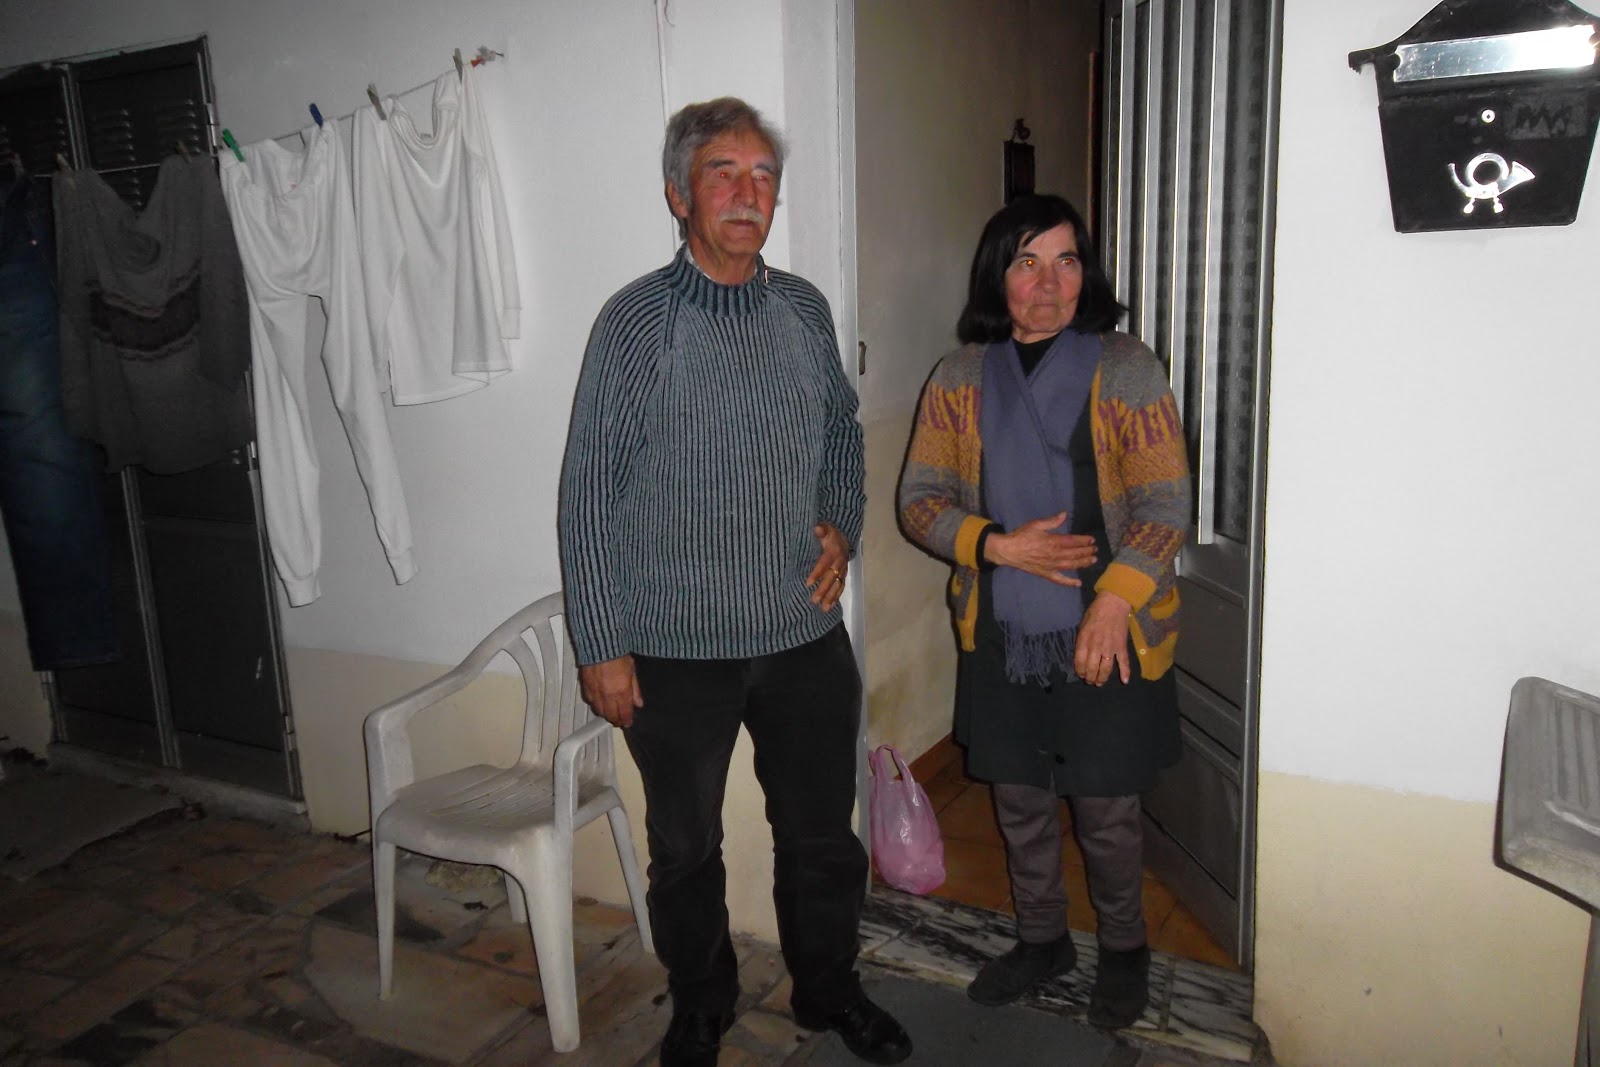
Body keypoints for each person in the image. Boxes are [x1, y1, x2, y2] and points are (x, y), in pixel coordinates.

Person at [558, 97, 912, 1067]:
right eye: (724, 173)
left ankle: (829, 990)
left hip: (801, 634)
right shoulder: (637, 322)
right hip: (673, 650)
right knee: (686, 849)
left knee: (821, 837)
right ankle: (701, 1002)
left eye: (763, 175)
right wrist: (601, 644)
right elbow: (588, 488)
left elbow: (840, 431)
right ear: (679, 194)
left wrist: (842, 521)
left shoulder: (803, 309)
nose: (749, 193)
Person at [897, 193, 1191, 1030]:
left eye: (1066, 261)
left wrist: (1115, 599)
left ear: (1084, 274)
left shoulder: (1125, 366)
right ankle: (1041, 938)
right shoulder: (960, 377)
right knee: (1020, 796)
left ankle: (1125, 949)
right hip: (1002, 617)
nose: (1049, 283)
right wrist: (994, 545)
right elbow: (919, 499)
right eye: (1027, 262)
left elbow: (1167, 501)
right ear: (999, 275)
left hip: (1111, 617)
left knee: (1105, 804)